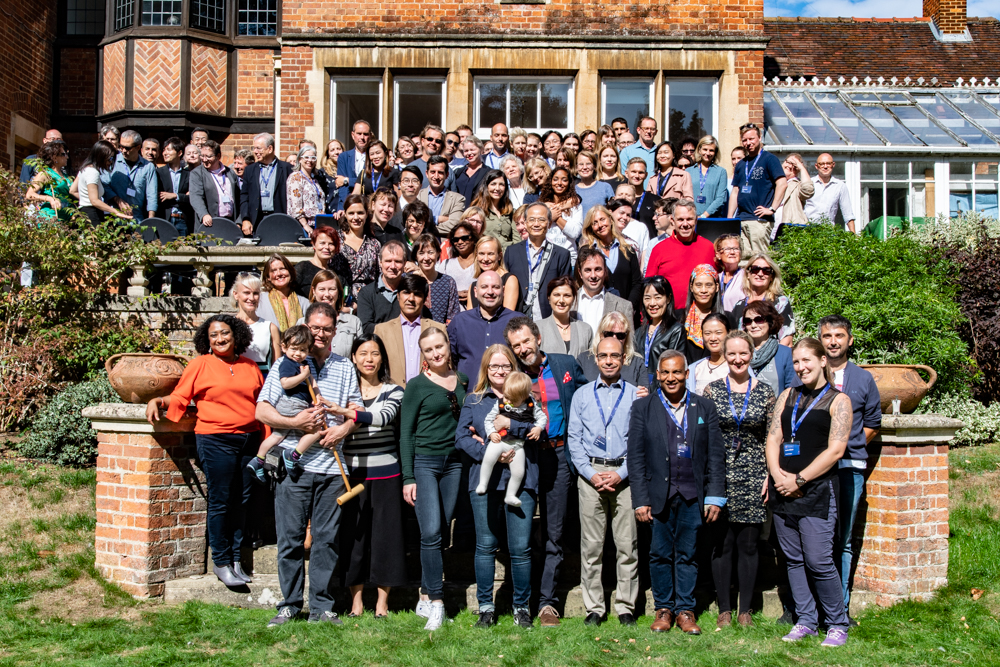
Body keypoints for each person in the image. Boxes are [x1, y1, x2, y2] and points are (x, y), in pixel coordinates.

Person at [256, 302, 362, 627]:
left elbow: (355, 407)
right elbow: (261, 411)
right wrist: (295, 421)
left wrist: (344, 428)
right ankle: (289, 604)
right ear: (306, 326)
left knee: (326, 540)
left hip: (332, 469)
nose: (319, 334)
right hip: (294, 465)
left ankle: (321, 607)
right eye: (314, 327)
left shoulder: (345, 367)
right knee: (289, 538)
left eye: (326, 329)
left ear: (334, 331)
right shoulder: (286, 363)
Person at [145, 314, 263, 587]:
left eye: (225, 334)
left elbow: (262, 404)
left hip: (249, 440)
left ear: (236, 336)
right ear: (207, 340)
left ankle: (235, 558)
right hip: (216, 439)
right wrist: (158, 400)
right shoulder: (201, 364)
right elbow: (180, 395)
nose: (220, 339)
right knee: (221, 500)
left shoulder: (250, 366)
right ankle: (220, 561)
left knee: (242, 501)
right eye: (214, 335)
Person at [627, 350, 726, 635]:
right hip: (658, 495)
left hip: (693, 495)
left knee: (688, 554)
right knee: (658, 554)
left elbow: (715, 455)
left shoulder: (704, 407)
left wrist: (715, 495)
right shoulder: (643, 408)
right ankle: (663, 609)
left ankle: (685, 609)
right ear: (657, 375)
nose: (671, 378)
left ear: (686, 375)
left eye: (677, 372)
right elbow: (635, 457)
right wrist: (641, 499)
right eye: (665, 373)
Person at [766, 338, 853, 647]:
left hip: (816, 491)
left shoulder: (838, 401)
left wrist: (798, 480)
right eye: (797, 362)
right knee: (793, 559)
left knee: (819, 560)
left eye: (807, 361)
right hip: (782, 489)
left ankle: (837, 623)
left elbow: (835, 450)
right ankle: (806, 620)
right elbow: (774, 438)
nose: (801, 367)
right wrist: (777, 475)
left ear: (822, 362)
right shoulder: (788, 395)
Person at [504, 316, 589, 627]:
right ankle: (521, 602)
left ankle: (548, 604)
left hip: (559, 454)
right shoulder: (512, 377)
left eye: (527, 341)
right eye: (517, 345)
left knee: (554, 533)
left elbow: (584, 400)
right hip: (525, 459)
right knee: (522, 534)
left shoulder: (565, 363)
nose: (523, 348)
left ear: (538, 337)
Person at [456, 345, 538, 629]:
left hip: (522, 481)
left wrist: (510, 425)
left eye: (505, 366)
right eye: (494, 367)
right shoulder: (475, 401)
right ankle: (486, 608)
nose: (500, 371)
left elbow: (538, 429)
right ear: (486, 370)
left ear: (513, 368)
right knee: (485, 545)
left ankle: (521, 607)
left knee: (520, 548)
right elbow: (461, 439)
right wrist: (488, 452)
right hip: (485, 479)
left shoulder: (528, 397)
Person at [328, 333, 406, 619]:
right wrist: (341, 409)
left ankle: (382, 603)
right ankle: (357, 601)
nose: (369, 359)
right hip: (353, 475)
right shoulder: (345, 393)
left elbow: (384, 417)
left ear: (382, 357)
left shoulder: (394, 391)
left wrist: (348, 414)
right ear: (353, 358)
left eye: (374, 353)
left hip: (387, 474)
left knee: (387, 538)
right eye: (363, 353)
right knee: (354, 537)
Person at [703, 329, 775, 628]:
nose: (737, 359)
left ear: (751, 354)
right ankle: (724, 608)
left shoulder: (765, 392)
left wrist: (770, 476)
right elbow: (704, 437)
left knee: (748, 545)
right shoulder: (711, 391)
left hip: (753, 474)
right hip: (720, 475)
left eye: (743, 353)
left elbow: (774, 437)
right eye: (731, 353)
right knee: (722, 544)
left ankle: (745, 608)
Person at [398, 327, 468, 630]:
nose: (436, 353)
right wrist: (408, 476)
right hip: (425, 463)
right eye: (429, 350)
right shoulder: (416, 386)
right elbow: (405, 434)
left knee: (442, 530)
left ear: (447, 346)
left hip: (454, 464)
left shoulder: (463, 380)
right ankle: (437, 602)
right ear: (423, 355)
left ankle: (424, 595)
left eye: (439, 347)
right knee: (430, 532)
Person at [568, 335, 640, 627]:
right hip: (591, 478)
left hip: (626, 477)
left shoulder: (637, 395)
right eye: (604, 356)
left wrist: (621, 473)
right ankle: (594, 608)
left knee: (627, 545)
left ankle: (625, 607)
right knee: (592, 546)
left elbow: (640, 442)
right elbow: (574, 440)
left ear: (623, 359)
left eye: (615, 355)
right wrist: (591, 473)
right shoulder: (582, 395)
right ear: (596, 359)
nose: (609, 360)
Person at [817, 315, 881, 618]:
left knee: (842, 539)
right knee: (818, 537)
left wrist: (848, 445)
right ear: (820, 341)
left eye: (839, 335)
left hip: (849, 467)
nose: (833, 341)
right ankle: (811, 607)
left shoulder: (863, 378)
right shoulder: (810, 375)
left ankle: (838, 608)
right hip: (816, 469)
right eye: (827, 336)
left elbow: (873, 424)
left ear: (849, 340)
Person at [247, 326, 333, 479]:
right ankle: (293, 455)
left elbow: (312, 382)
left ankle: (258, 460)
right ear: (284, 347)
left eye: (303, 350)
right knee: (317, 430)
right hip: (292, 404)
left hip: (293, 404)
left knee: (277, 436)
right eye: (294, 349)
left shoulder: (303, 363)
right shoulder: (287, 363)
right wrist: (303, 375)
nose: (298, 354)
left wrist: (318, 397)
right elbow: (285, 383)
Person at [479, 370, 545, 506]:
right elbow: (488, 420)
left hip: (518, 445)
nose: (507, 400)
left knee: (519, 472)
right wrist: (491, 433)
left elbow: (542, 417)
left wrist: (538, 428)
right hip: (500, 440)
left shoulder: (531, 405)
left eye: (512, 399)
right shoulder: (501, 403)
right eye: (506, 395)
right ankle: (483, 483)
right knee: (489, 458)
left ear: (524, 396)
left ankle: (510, 495)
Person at [373, 273, 447, 387]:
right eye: (406, 292)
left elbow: (446, 366)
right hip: (392, 397)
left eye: (417, 294)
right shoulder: (382, 331)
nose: (411, 299)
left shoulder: (438, 329)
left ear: (424, 299)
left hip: (428, 396)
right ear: (398, 296)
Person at [727, 123, 786, 260]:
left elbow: (782, 184)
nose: (748, 143)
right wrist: (730, 218)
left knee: (760, 261)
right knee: (743, 262)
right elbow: (735, 191)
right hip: (741, 220)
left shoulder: (770, 159)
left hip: (759, 221)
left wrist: (772, 208)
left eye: (751, 139)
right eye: (745, 140)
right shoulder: (741, 164)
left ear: (759, 138)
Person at [504, 203, 573, 320]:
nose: (536, 224)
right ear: (525, 223)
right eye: (532, 220)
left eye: (541, 220)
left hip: (548, 318)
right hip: (517, 316)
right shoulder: (512, 252)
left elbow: (565, 289)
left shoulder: (561, 254)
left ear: (549, 224)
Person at [447, 270, 517, 386]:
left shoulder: (517, 321)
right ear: (475, 291)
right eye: (484, 287)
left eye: (495, 287)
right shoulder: (459, 322)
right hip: (468, 395)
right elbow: (451, 360)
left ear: (503, 291)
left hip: (508, 395)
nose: (490, 292)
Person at [645, 198, 716, 311]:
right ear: (672, 220)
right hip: (669, 315)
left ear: (696, 220)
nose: (685, 224)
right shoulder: (659, 249)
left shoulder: (708, 247)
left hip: (699, 314)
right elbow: (649, 286)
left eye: (689, 219)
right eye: (680, 219)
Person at [581, 206, 642, 318]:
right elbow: (580, 283)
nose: (600, 225)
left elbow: (637, 283)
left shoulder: (628, 250)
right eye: (595, 223)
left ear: (610, 219)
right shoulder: (586, 252)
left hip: (627, 314)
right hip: (598, 314)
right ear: (591, 228)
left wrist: (628, 307)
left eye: (602, 219)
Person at [731, 254, 795, 345]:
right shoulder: (738, 306)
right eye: (755, 269)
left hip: (773, 356)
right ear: (748, 274)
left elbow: (786, 339)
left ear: (771, 277)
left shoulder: (780, 302)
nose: (760, 274)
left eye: (766, 271)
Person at [635, 275, 685, 386]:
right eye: (647, 298)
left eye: (657, 297)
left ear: (668, 298)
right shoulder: (639, 332)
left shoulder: (675, 330)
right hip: (639, 388)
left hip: (663, 388)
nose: (652, 303)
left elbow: (674, 366)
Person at [573, 246, 634, 336]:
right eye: (588, 270)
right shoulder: (569, 303)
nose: (593, 275)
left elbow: (630, 344)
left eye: (598, 269)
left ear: (605, 271)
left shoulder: (623, 306)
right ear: (580, 273)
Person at [302, 270, 363, 358]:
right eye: (322, 289)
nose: (327, 294)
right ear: (314, 291)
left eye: (332, 289)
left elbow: (359, 356)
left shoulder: (353, 322)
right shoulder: (302, 322)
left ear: (338, 292)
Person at [240, 132, 293, 234]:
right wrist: (245, 219)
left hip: (280, 219)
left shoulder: (286, 168)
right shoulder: (250, 170)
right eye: (254, 148)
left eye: (259, 148)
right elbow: (244, 196)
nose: (255, 151)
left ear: (270, 149)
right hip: (256, 220)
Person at [577, 311, 646, 387]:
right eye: (609, 334)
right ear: (600, 335)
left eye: (620, 335)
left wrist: (644, 394)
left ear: (626, 337)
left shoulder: (636, 362)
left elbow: (645, 393)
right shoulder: (584, 359)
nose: (614, 338)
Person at [231, 272, 281, 373]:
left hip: (262, 380)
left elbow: (277, 367)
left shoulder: (270, 327)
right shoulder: (228, 326)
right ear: (236, 295)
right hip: (233, 378)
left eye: (255, 293)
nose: (252, 298)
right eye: (246, 293)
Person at [743, 300, 796, 396]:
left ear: (770, 322)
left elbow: (792, 390)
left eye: (759, 320)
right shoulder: (740, 353)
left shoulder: (785, 354)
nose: (753, 325)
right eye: (748, 321)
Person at [102, 129, 157, 221]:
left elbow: (152, 195)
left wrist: (151, 219)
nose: (123, 151)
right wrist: (117, 200)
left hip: (137, 218)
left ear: (138, 147)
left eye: (127, 148)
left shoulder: (148, 167)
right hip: (114, 218)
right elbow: (104, 184)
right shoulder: (112, 161)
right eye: (121, 147)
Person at [357, 240, 408, 334]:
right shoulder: (366, 293)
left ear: (405, 263)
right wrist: (398, 329)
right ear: (380, 262)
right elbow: (366, 327)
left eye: (397, 261)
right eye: (388, 261)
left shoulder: (410, 291)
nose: (392, 266)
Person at [74, 141, 130, 225]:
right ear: (102, 156)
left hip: (84, 212)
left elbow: (72, 190)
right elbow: (94, 201)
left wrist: (85, 199)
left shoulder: (84, 168)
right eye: (110, 159)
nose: (111, 162)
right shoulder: (93, 172)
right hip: (92, 214)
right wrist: (115, 212)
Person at [339, 193, 382, 299]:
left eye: (360, 213)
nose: (356, 217)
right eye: (351, 213)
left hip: (368, 298)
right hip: (341, 296)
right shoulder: (336, 240)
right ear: (345, 214)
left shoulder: (374, 244)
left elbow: (379, 276)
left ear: (367, 214)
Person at [255, 252, 312, 332]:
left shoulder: (305, 303)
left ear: (290, 272)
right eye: (273, 271)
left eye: (282, 269)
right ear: (268, 277)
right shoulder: (259, 301)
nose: (279, 274)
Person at [538, 276, 593, 358]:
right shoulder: (538, 328)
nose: (561, 300)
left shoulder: (585, 330)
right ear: (549, 297)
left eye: (567, 296)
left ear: (573, 298)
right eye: (556, 295)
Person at [538, 167, 583, 265]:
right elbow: (536, 230)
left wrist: (556, 217)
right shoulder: (542, 205)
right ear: (550, 182)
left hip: (569, 259)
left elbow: (575, 233)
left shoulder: (576, 206)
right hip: (545, 258)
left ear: (569, 183)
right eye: (555, 179)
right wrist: (550, 217)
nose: (559, 183)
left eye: (564, 180)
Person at [412, 234, 461, 324]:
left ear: (438, 253)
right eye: (421, 253)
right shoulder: (408, 280)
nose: (426, 258)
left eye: (430, 252)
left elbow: (453, 317)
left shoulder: (448, 282)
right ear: (416, 256)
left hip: (439, 335)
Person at [190, 140, 240, 227]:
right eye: (202, 156)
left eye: (208, 156)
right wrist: (204, 214)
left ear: (218, 156)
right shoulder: (197, 173)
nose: (204, 160)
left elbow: (238, 197)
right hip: (209, 223)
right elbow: (196, 197)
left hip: (230, 222)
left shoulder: (230, 173)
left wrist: (239, 221)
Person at [293, 225, 352, 298]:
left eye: (331, 244)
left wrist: (348, 309)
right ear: (314, 245)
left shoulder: (337, 274)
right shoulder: (302, 268)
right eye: (322, 243)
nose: (327, 247)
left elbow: (351, 299)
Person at [804, 154, 856, 233]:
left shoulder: (840, 186)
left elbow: (848, 213)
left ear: (833, 165)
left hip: (828, 232)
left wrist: (854, 235)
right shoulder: (809, 184)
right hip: (807, 230)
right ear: (816, 166)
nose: (825, 166)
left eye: (828, 163)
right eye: (822, 164)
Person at [467, 235, 520, 311]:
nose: (485, 259)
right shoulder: (473, 286)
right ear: (476, 255)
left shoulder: (510, 280)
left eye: (490, 254)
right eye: (481, 253)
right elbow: (469, 317)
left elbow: (508, 316)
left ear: (499, 256)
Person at [25, 140, 74, 221]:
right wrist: (50, 199)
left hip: (65, 219)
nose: (67, 157)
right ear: (54, 158)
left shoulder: (66, 176)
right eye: (63, 154)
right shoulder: (45, 174)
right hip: (50, 217)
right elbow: (29, 194)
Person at [683, 264, 723, 364]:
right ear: (691, 287)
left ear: (717, 287)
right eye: (698, 285)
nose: (703, 290)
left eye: (709, 285)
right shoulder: (679, 317)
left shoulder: (727, 318)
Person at [154, 137, 193, 233]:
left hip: (183, 220)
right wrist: (183, 197)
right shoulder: (158, 173)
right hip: (164, 219)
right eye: (164, 150)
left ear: (179, 153)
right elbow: (159, 197)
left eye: (169, 150)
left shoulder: (189, 174)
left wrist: (175, 196)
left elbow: (192, 197)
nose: (165, 153)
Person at [285, 144, 326, 233]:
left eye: (313, 158)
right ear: (300, 159)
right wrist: (306, 226)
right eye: (306, 157)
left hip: (318, 224)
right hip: (304, 226)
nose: (309, 160)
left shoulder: (314, 180)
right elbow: (296, 207)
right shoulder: (296, 178)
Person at [687, 135, 730, 219]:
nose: (707, 153)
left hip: (713, 219)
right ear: (699, 150)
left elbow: (720, 199)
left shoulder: (721, 172)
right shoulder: (688, 171)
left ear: (715, 153)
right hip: (691, 218)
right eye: (705, 149)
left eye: (711, 150)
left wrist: (703, 216)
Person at [418, 156, 465, 232]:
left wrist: (426, 227)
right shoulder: (417, 196)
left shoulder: (458, 199)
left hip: (444, 242)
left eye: (440, 173)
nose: (436, 177)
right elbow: (414, 221)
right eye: (433, 172)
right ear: (427, 174)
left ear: (447, 175)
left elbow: (455, 225)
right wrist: (439, 219)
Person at [687, 313, 730, 395]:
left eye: (718, 333)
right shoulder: (695, 369)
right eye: (707, 333)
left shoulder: (737, 366)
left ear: (728, 333)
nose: (713, 338)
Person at [471, 169, 515, 249]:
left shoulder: (510, 211)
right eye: (493, 184)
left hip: (508, 255)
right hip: (487, 255)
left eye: (501, 184)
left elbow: (517, 239)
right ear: (486, 186)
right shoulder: (476, 210)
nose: (497, 188)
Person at [437, 221, 479, 303]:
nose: (460, 242)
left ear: (473, 239)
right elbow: (438, 290)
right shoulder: (446, 265)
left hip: (476, 313)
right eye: (455, 239)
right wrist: (455, 294)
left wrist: (473, 295)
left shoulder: (482, 263)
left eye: (464, 238)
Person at [335, 120, 373, 210]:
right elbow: (342, 187)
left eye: (365, 134)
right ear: (353, 135)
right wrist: (345, 207)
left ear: (370, 136)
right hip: (348, 207)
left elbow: (372, 182)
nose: (362, 137)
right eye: (359, 134)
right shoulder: (343, 157)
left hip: (369, 207)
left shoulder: (374, 157)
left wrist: (347, 180)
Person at [776, 154, 815, 231]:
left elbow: (808, 190)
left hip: (788, 230)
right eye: (788, 162)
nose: (790, 166)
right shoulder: (773, 182)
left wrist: (802, 168)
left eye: (794, 165)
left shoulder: (797, 186)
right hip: (768, 231)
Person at [619, 116, 659, 188]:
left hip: (657, 195)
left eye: (652, 129)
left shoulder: (660, 152)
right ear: (638, 130)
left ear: (656, 132)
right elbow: (623, 178)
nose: (649, 131)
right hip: (634, 195)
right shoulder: (627, 152)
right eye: (645, 128)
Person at [575, 150, 616, 218]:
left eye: (588, 164)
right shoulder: (573, 190)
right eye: (581, 164)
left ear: (594, 166)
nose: (585, 167)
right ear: (576, 167)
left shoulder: (605, 187)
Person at [623, 160, 660, 234]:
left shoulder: (656, 200)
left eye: (641, 172)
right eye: (633, 172)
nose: (637, 176)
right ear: (626, 173)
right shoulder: (619, 199)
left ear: (646, 175)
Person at [639, 198, 675, 275]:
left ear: (670, 216)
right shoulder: (654, 243)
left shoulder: (684, 241)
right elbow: (647, 272)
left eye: (658, 214)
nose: (654, 218)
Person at [716, 234, 746, 313]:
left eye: (736, 249)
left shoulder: (747, 277)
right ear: (718, 254)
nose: (732, 252)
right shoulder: (716, 278)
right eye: (727, 249)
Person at [452, 135, 487, 203]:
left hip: (477, 211)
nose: (469, 153)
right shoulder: (458, 172)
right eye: (466, 151)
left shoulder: (488, 172)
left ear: (481, 150)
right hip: (459, 211)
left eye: (472, 150)